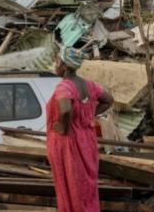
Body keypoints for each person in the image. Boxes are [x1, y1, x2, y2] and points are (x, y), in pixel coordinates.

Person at [46, 46, 114, 212]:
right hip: (87, 142)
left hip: (69, 144)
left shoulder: (65, 87)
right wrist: (88, 115)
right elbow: (108, 100)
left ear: (64, 65)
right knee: (85, 187)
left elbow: (66, 109)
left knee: (71, 187)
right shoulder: (89, 85)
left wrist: (63, 127)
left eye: (57, 61)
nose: (55, 65)